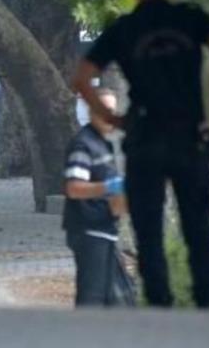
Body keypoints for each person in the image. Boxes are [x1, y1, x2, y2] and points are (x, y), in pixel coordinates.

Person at [72, 0, 209, 309]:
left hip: (144, 138)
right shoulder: (189, 19)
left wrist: (113, 118)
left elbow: (82, 77)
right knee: (198, 226)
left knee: (148, 231)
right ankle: (207, 307)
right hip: (188, 138)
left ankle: (160, 308)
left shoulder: (123, 30)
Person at [63, 89, 131, 307]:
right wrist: (110, 186)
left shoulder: (104, 144)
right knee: (92, 299)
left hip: (106, 230)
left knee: (117, 299)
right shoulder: (83, 145)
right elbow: (74, 188)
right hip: (89, 230)